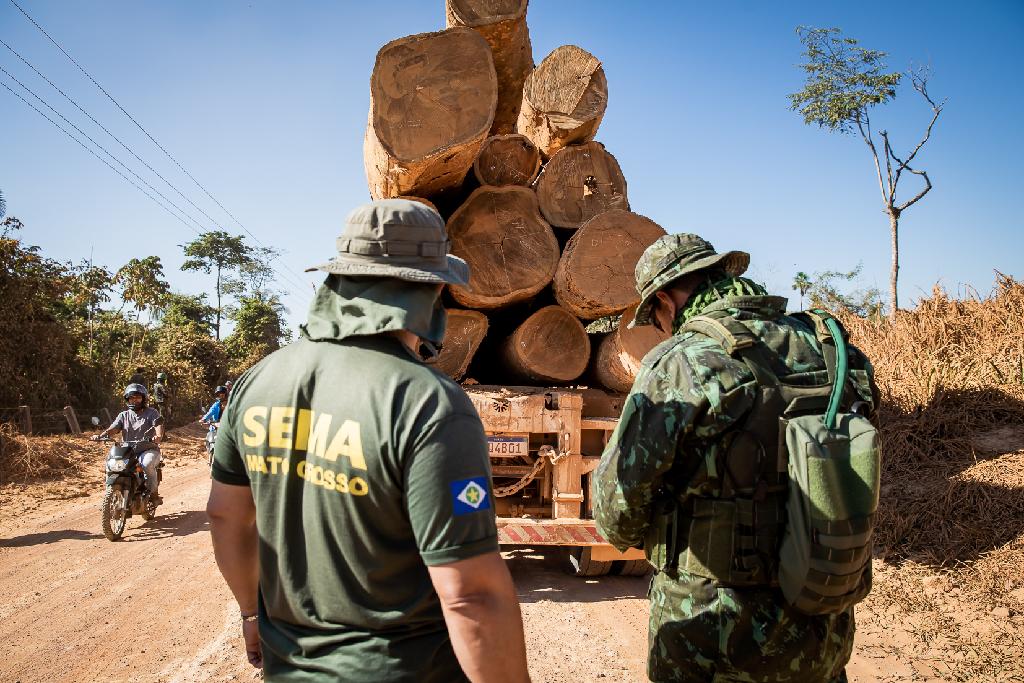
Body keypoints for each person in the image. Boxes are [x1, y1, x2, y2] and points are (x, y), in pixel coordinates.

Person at [206, 199, 529, 682]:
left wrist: (251, 613)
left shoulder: (259, 380)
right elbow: (472, 596)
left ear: (343, 278)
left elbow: (225, 514)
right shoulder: (428, 402)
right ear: (433, 288)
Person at [593, 234, 879, 683]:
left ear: (666, 301)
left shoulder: (681, 361)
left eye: (658, 318)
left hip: (713, 634)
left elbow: (617, 511)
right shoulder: (830, 346)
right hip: (820, 623)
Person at [92, 383, 164, 505]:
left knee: (146, 464)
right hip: (128, 450)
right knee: (110, 463)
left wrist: (157, 436)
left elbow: (158, 425)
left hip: (148, 449)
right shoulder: (123, 415)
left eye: (137, 397)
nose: (134, 400)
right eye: (131, 398)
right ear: (127, 399)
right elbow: (113, 429)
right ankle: (110, 495)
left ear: (143, 398)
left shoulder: (152, 413)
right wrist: (100, 436)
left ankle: (153, 494)